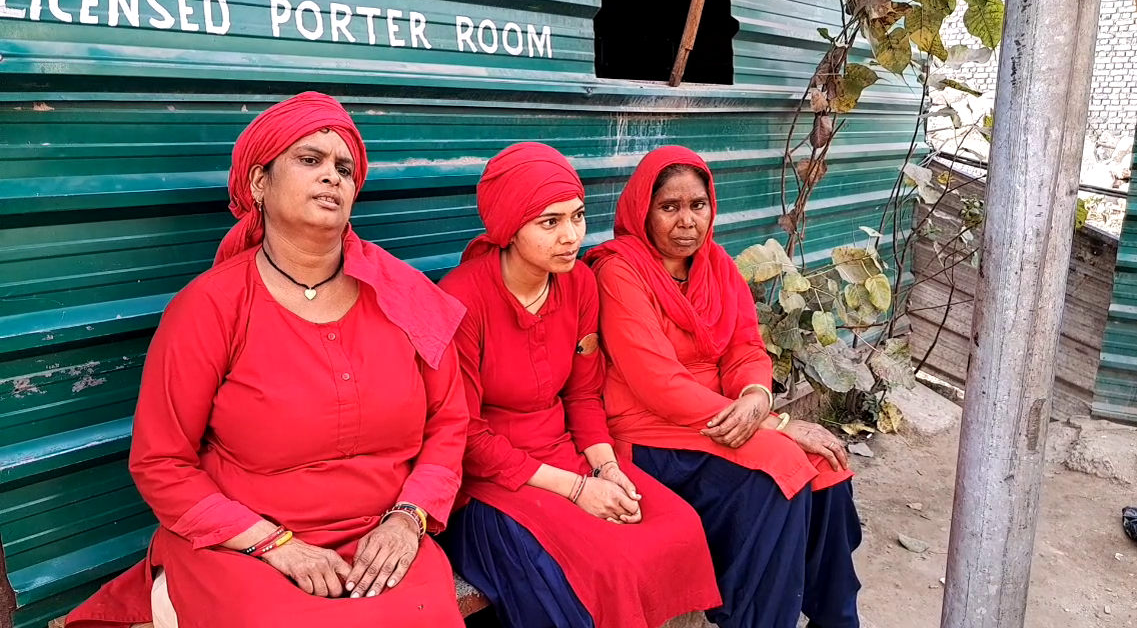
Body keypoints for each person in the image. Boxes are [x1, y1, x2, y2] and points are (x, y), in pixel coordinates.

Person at [65, 92, 469, 628]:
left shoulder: (406, 296)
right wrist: (275, 544)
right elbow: (161, 462)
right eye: (310, 159)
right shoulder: (210, 307)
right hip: (245, 546)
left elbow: (449, 423)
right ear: (259, 183)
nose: (332, 177)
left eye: (344, 168)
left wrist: (408, 519)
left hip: (383, 543)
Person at [437, 142, 721, 628]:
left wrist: (607, 468)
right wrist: (575, 490)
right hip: (489, 481)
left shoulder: (579, 284)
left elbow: (583, 394)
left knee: (677, 527)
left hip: (566, 451)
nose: (571, 236)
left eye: (578, 216)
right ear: (509, 227)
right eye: (550, 222)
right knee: (594, 570)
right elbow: (465, 433)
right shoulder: (461, 297)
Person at [585, 145, 862, 628]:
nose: (687, 221)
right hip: (651, 432)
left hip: (721, 422)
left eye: (698, 205)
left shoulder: (716, 265)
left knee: (825, 465)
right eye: (669, 207)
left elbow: (745, 348)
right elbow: (657, 383)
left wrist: (755, 396)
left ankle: (835, 618)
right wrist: (775, 425)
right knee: (780, 473)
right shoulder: (618, 271)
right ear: (643, 211)